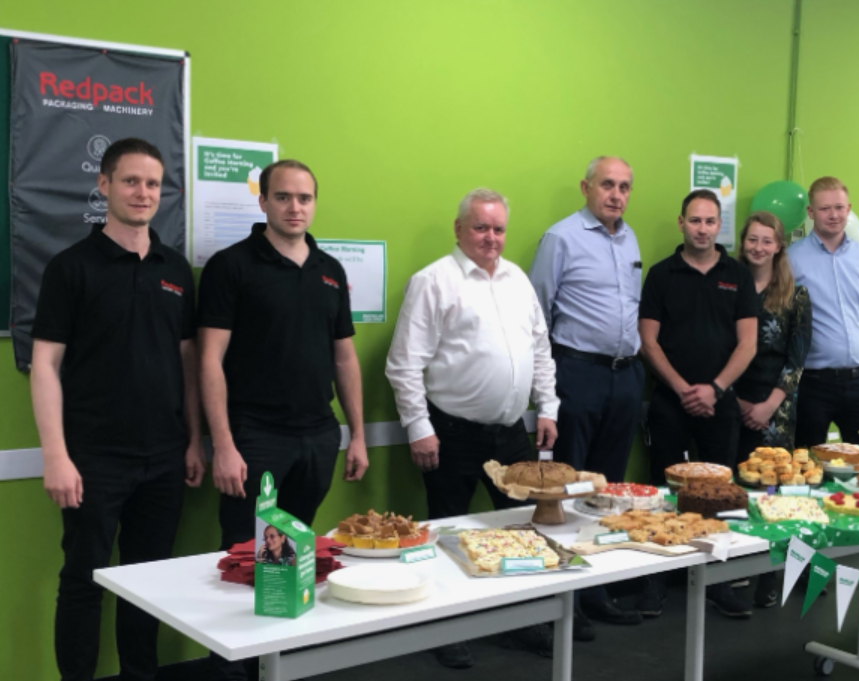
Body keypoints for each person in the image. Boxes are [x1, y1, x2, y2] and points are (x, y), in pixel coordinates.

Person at [30, 137, 205, 681]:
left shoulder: (176, 268)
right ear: (103, 184)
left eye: (152, 183)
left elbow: (188, 363)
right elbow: (44, 366)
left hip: (164, 457)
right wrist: (56, 456)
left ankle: (141, 675)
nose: (142, 192)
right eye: (130, 181)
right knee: (83, 580)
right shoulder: (70, 268)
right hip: (92, 459)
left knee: (147, 582)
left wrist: (195, 440)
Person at [199, 159, 369, 680]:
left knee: (296, 559)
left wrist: (358, 434)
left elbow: (344, 358)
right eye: (283, 197)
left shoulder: (330, 269)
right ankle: (232, 671)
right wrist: (223, 444)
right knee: (245, 558)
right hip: (254, 438)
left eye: (305, 198)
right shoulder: (232, 266)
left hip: (317, 436)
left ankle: (276, 664)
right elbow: (209, 359)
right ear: (263, 202)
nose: (295, 207)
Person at [386, 188, 559, 668]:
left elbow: (541, 352)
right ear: (459, 230)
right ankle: (447, 627)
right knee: (447, 531)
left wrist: (548, 408)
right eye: (481, 227)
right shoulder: (433, 281)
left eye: (498, 228)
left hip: (510, 432)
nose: (491, 238)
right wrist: (418, 428)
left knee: (525, 529)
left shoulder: (517, 280)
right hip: (451, 432)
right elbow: (403, 365)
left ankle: (518, 622)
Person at [528, 157, 644, 636]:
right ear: (586, 187)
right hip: (577, 374)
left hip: (624, 378)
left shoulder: (630, 238)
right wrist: (545, 391)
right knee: (567, 487)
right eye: (607, 185)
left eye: (624, 187)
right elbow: (537, 314)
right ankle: (561, 599)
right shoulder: (561, 238)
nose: (616, 195)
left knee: (605, 492)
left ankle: (595, 591)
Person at [638, 189, 759, 618]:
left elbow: (748, 343)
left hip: (721, 403)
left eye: (710, 221)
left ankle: (719, 583)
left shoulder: (738, 275)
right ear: (681, 223)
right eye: (695, 220)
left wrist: (714, 388)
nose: (702, 228)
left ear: (718, 225)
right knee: (660, 493)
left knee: (721, 496)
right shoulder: (660, 274)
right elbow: (647, 340)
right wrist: (682, 388)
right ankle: (656, 581)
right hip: (669, 403)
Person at [788, 176, 859, 571]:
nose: (834, 215)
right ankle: (805, 564)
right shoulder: (792, 258)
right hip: (813, 385)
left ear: (848, 209)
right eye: (825, 208)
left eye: (840, 207)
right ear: (810, 213)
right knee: (807, 476)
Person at [735, 211, 812, 608]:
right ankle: (733, 572)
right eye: (752, 239)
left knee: (769, 492)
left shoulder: (795, 295)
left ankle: (770, 573)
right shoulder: (728, 285)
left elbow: (796, 360)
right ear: (742, 241)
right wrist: (737, 400)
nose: (758, 247)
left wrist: (767, 406)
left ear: (779, 246)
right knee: (734, 490)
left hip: (776, 408)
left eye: (767, 240)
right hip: (731, 401)